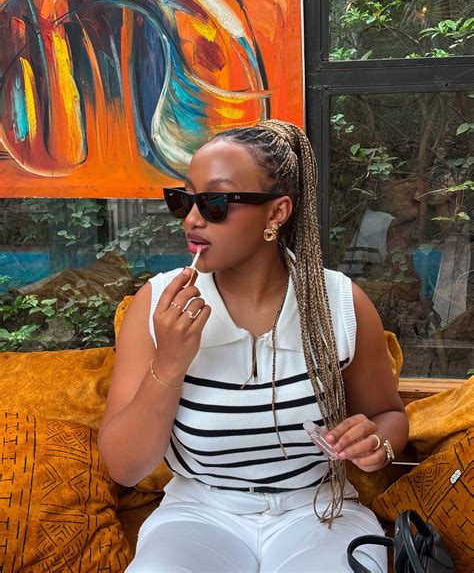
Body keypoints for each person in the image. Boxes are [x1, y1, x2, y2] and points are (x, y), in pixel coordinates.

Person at [98, 120, 409, 572]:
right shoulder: (156, 304)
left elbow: (389, 416)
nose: (191, 219)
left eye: (215, 203)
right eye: (184, 200)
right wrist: (168, 363)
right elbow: (124, 468)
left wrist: (377, 442)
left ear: (277, 212)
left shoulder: (339, 303)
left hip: (319, 512)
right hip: (199, 513)